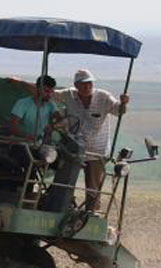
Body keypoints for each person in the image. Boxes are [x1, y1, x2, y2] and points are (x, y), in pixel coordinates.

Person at [7, 69, 129, 211]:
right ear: (76, 85)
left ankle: (90, 215)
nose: (87, 87)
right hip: (73, 150)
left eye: (89, 83)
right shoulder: (68, 95)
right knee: (63, 179)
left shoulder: (103, 97)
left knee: (93, 188)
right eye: (83, 84)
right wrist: (18, 82)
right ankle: (55, 207)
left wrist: (124, 103)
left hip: (96, 152)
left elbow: (119, 111)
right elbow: (45, 92)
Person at [8, 75, 58, 141]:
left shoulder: (51, 105)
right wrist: (27, 136)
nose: (50, 95)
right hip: (22, 142)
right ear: (37, 89)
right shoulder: (22, 103)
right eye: (46, 91)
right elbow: (12, 127)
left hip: (41, 144)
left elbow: (59, 117)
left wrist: (55, 125)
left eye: (52, 92)